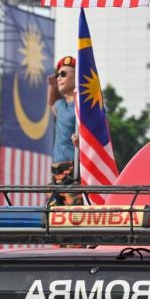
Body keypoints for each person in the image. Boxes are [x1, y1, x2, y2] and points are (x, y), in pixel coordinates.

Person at [47, 55, 82, 206]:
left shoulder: (82, 104)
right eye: (57, 75)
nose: (59, 78)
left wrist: (83, 140)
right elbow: (52, 103)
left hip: (74, 169)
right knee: (52, 215)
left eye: (63, 74)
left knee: (74, 215)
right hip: (57, 171)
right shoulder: (61, 105)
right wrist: (53, 86)